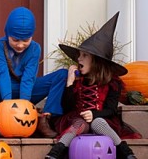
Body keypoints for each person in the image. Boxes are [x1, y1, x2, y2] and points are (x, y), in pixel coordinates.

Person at [45, 12, 142, 159]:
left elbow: (111, 109)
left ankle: (125, 151)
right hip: (78, 119)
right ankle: (55, 152)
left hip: (102, 119)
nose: (79, 58)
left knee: (98, 122)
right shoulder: (78, 80)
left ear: (96, 61)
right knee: (79, 123)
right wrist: (70, 83)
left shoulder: (112, 83)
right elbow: (67, 106)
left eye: (84, 55)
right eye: (79, 55)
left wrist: (94, 114)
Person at [0, 6, 68, 137]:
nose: (20, 45)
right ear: (7, 33)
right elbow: (2, 74)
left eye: (26, 40)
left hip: (28, 92)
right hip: (0, 91)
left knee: (62, 74)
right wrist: (7, 104)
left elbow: (29, 78)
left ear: (31, 36)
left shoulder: (35, 49)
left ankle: (45, 120)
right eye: (15, 40)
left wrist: (24, 106)